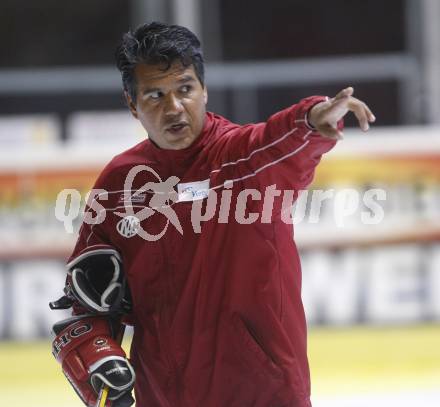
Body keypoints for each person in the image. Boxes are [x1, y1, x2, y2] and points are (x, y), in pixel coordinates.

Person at [50, 22, 375, 407]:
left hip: (263, 395)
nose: (174, 108)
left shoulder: (241, 160)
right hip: (163, 396)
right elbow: (86, 300)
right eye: (155, 95)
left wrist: (313, 121)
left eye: (185, 89)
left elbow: (275, 142)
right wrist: (98, 360)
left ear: (204, 90)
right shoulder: (119, 184)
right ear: (132, 104)